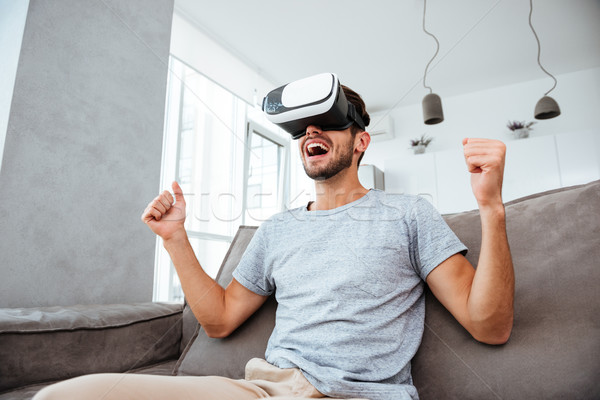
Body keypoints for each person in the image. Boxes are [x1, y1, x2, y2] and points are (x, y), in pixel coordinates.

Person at [34, 84, 514, 400]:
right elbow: (220, 320)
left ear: (360, 142)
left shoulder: (409, 214)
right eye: (304, 128)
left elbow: (488, 326)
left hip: (357, 396)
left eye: (327, 122)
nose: (311, 133)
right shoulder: (277, 230)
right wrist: (175, 238)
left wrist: (491, 209)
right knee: (61, 396)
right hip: (264, 390)